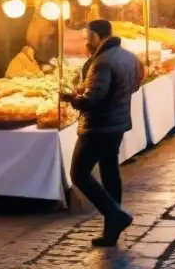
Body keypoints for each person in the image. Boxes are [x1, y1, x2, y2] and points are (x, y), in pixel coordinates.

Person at [62, 20, 143, 248]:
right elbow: (136, 83)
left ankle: (115, 215)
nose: (86, 41)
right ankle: (111, 231)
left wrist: (71, 98)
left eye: (88, 37)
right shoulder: (128, 56)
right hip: (117, 123)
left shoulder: (101, 62)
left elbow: (92, 100)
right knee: (109, 171)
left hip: (98, 126)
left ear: (98, 36)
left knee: (78, 173)